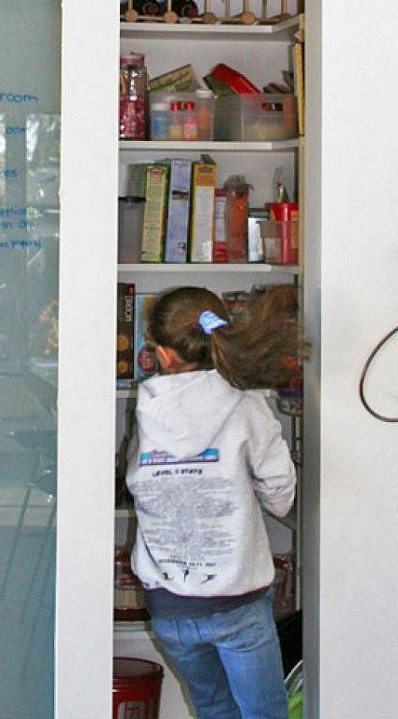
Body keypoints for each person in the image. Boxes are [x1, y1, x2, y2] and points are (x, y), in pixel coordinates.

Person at [126, 285, 299, 719]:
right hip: (236, 603)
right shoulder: (246, 405)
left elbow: (139, 480)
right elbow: (280, 491)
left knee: (213, 709)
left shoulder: (146, 411)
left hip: (169, 607)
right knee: (264, 714)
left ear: (162, 354)